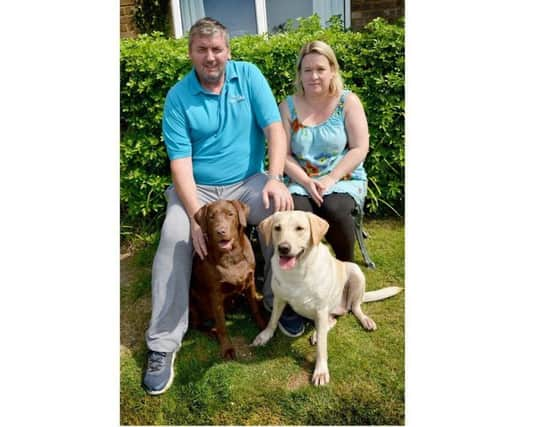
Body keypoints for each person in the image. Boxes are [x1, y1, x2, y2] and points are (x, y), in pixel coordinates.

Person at [142, 17, 302, 396]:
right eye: (202, 50)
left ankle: (285, 302)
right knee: (175, 237)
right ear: (191, 53)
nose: (210, 57)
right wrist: (197, 217)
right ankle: (163, 344)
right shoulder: (178, 96)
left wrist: (276, 178)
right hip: (197, 189)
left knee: (286, 215)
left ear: (228, 51)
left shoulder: (248, 77)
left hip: (247, 182)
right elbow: (179, 163)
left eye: (217, 49)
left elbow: (274, 130)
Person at [279, 40, 370, 262]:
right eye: (307, 70)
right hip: (301, 181)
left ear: (332, 71)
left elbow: (360, 147)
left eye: (320, 69)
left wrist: (330, 178)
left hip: (342, 177)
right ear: (299, 74)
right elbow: (283, 154)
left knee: (335, 209)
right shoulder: (287, 106)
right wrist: (307, 182)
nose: (314, 76)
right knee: (295, 215)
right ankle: (302, 274)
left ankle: (344, 271)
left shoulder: (347, 102)